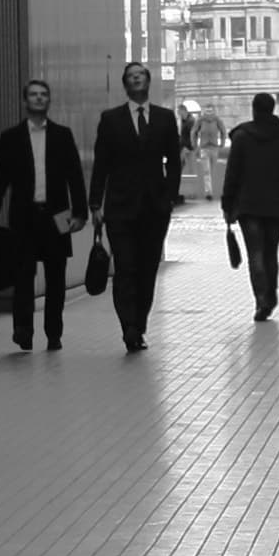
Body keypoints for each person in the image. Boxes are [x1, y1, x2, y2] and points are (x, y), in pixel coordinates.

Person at [0, 77, 87, 350]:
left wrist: (80, 213)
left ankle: (54, 332)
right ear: (25, 101)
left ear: (49, 101)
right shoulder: (11, 138)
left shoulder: (62, 136)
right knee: (22, 275)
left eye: (43, 94)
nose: (39, 98)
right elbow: (0, 182)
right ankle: (23, 329)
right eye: (34, 94)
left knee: (56, 277)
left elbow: (74, 177)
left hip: (59, 215)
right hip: (24, 216)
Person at [92, 61, 187, 351]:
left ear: (147, 82)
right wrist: (95, 203)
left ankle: (140, 323)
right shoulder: (111, 119)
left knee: (146, 269)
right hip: (120, 206)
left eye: (140, 76)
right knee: (125, 267)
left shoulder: (164, 118)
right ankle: (129, 328)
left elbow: (173, 161)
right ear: (126, 84)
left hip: (154, 207)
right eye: (131, 77)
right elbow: (101, 164)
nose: (136, 80)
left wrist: (170, 196)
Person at [218, 92, 279, 319]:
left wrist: (226, 204)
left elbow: (232, 173)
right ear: (272, 110)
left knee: (256, 254)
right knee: (271, 253)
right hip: (275, 204)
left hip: (248, 204)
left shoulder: (242, 136)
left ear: (253, 109)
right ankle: (271, 297)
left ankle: (261, 300)